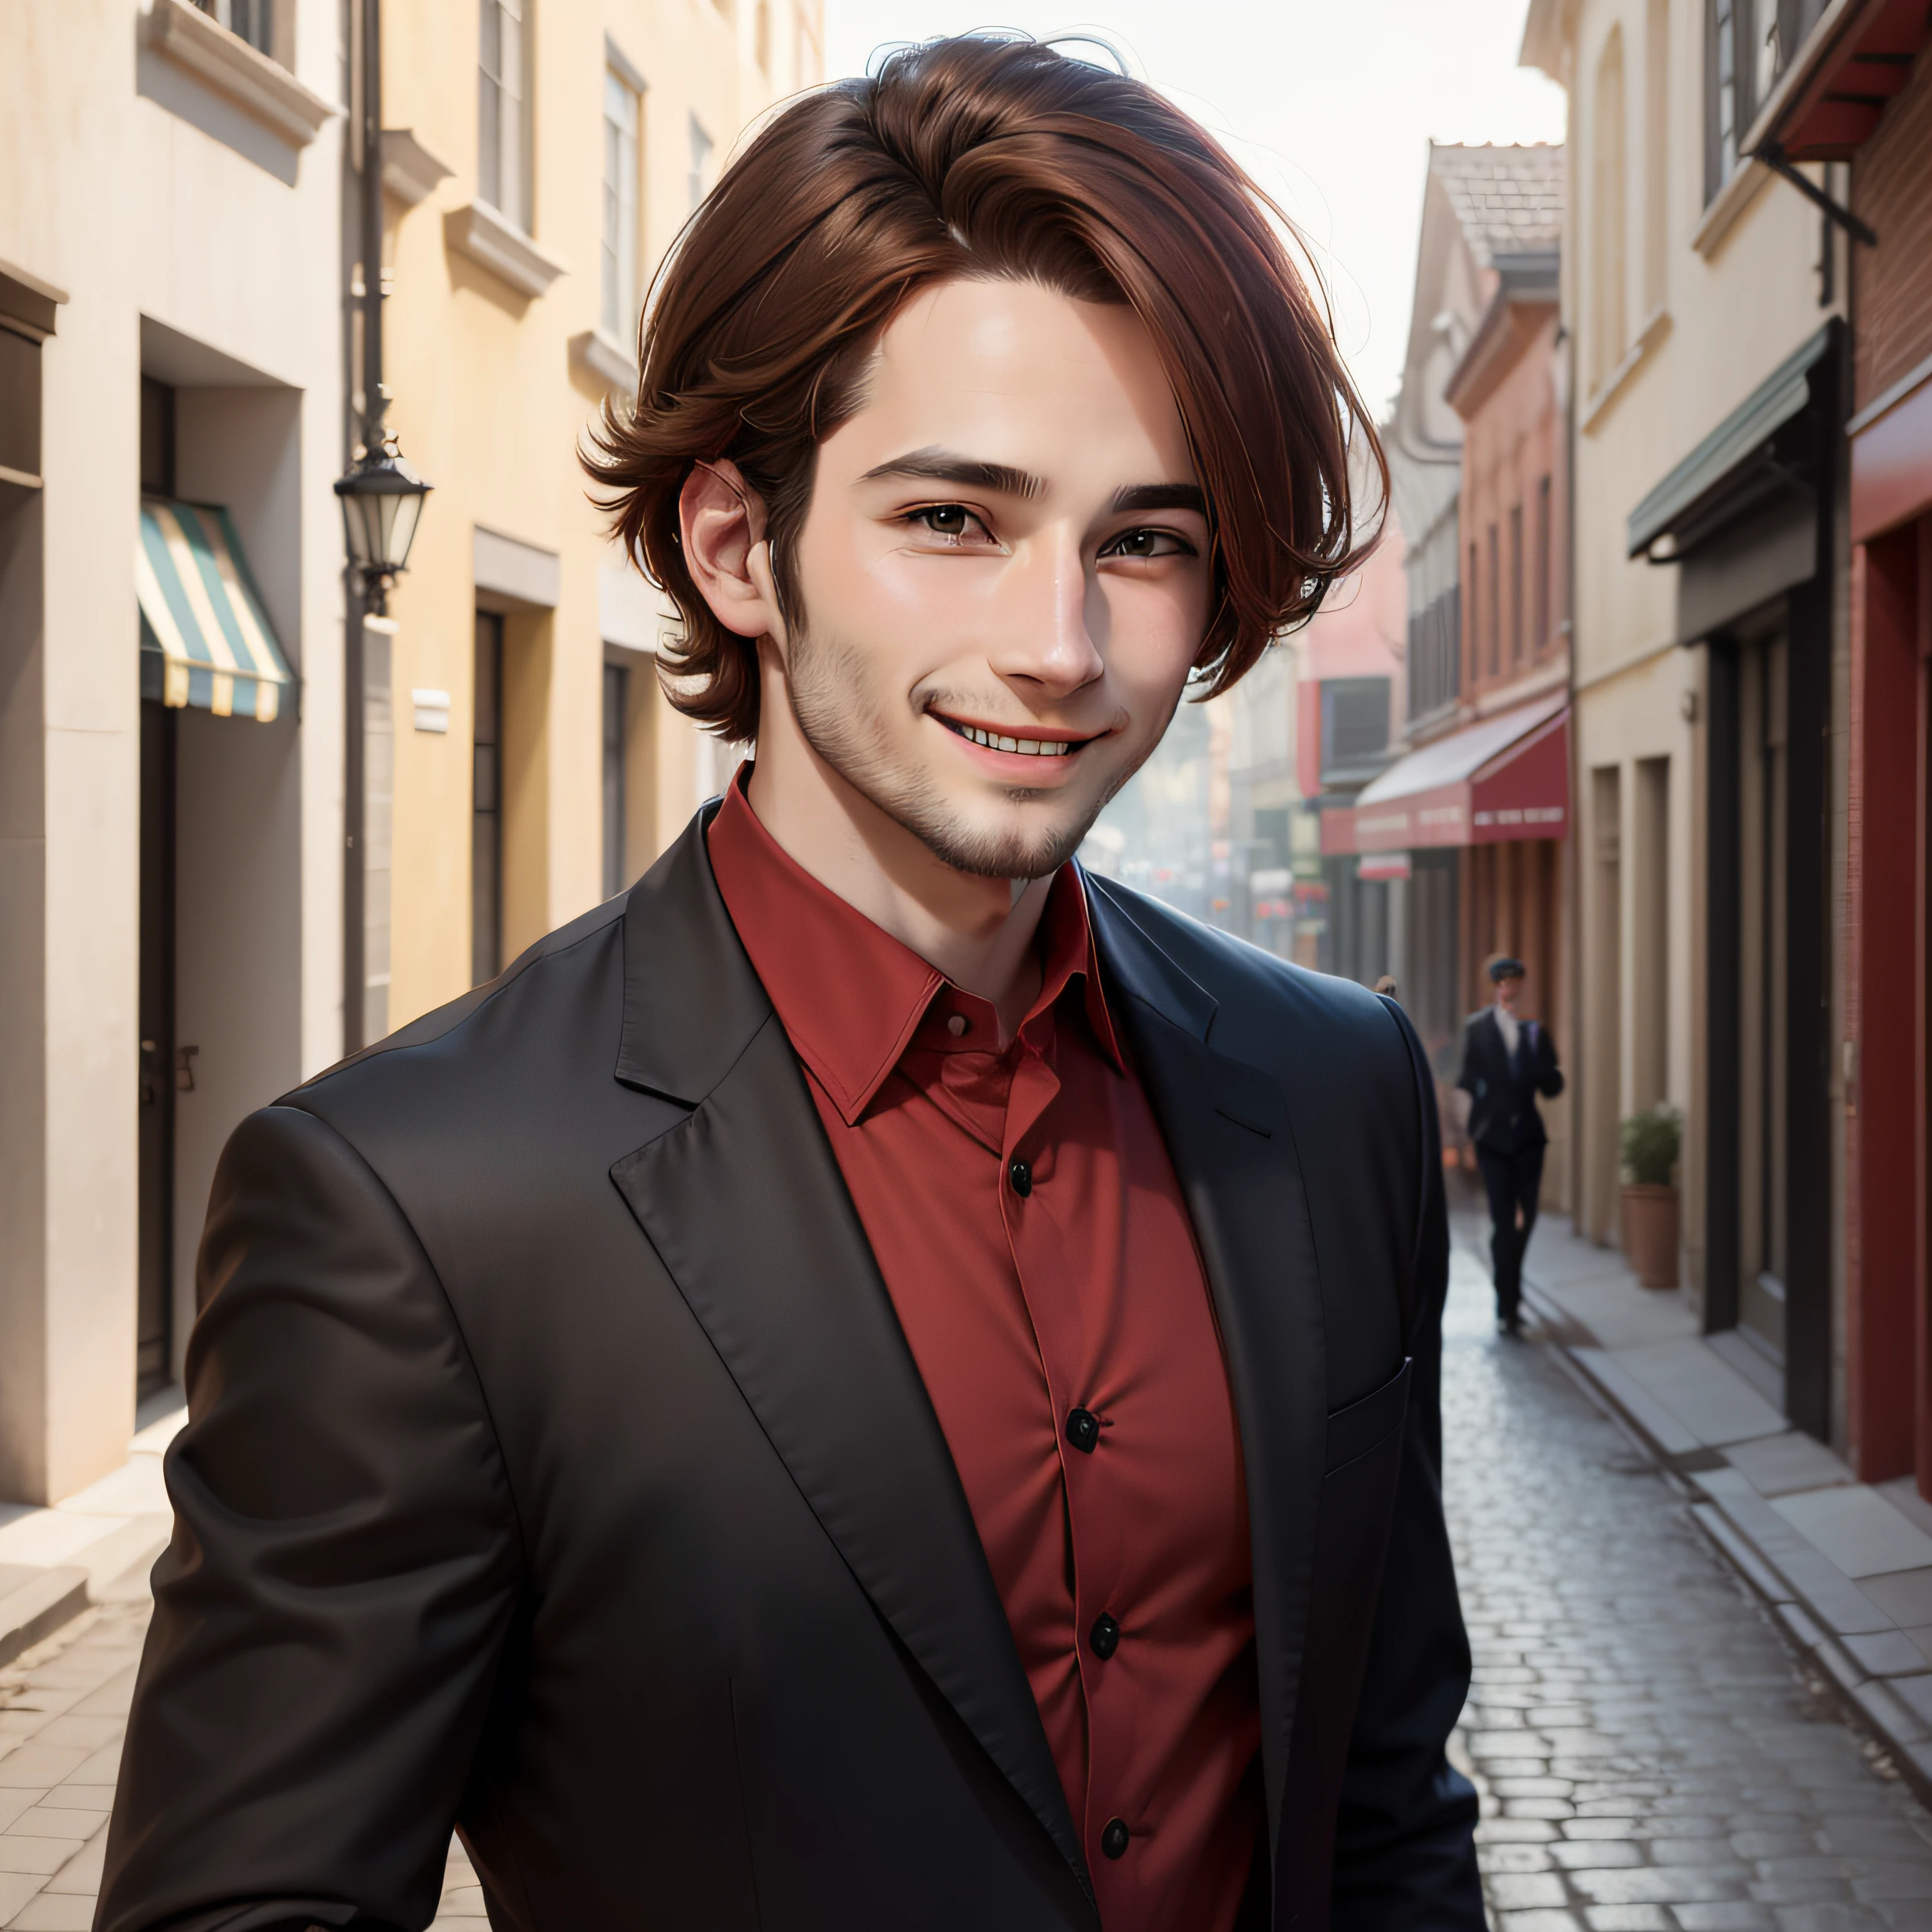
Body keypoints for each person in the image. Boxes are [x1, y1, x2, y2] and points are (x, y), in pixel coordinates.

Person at [98, 39, 1481, 1932]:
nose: (1060, 643)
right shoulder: (416, 1208)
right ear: (738, 544)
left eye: (1142, 540)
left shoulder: (1336, 1091)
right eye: (951, 520)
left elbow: (1390, 1799)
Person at [1457, 953, 1565, 1336]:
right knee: (1504, 1222)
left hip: (1530, 1140)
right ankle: (1508, 1301)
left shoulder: (1534, 1031)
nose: (1510, 987)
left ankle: (1510, 1285)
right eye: (1504, 982)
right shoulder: (1479, 1029)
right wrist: (1465, 1138)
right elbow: (1467, 1084)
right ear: (1494, 986)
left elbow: (1552, 1088)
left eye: (1516, 981)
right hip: (1493, 1140)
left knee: (1527, 1219)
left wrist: (1549, 1068)